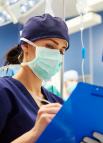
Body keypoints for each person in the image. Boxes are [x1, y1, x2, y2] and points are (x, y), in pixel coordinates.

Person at [0, 14, 69, 143]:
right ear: (25, 45)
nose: (56, 55)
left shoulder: (57, 102)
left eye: (61, 51)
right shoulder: (4, 91)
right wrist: (34, 134)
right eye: (50, 46)